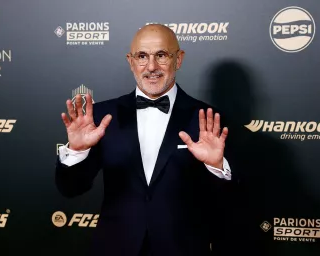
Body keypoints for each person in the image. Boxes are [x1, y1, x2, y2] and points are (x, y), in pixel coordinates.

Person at [55, 24, 233, 256]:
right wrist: (77, 151)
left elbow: (230, 206)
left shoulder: (208, 120)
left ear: (178, 59)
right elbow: (70, 189)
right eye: (142, 56)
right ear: (131, 62)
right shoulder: (100, 117)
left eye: (161, 55)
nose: (151, 67)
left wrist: (216, 167)